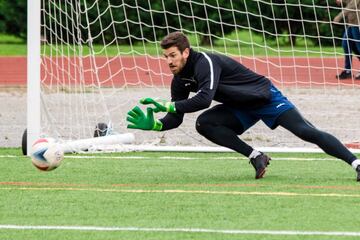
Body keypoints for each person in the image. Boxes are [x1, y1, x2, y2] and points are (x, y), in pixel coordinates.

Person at [126, 31, 360, 181]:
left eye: (172, 55)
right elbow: (177, 117)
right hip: (239, 107)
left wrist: (168, 106)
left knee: (306, 131)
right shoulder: (180, 79)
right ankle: (256, 156)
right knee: (205, 123)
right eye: (165, 56)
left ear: (186, 52)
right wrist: (157, 125)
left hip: (263, 98)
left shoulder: (204, 62)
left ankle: (356, 163)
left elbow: (204, 99)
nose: (168, 61)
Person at [333, 0, 360, 79]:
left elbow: (351, 6)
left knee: (358, 47)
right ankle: (347, 71)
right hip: (351, 24)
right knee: (346, 45)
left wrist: (338, 17)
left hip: (358, 25)